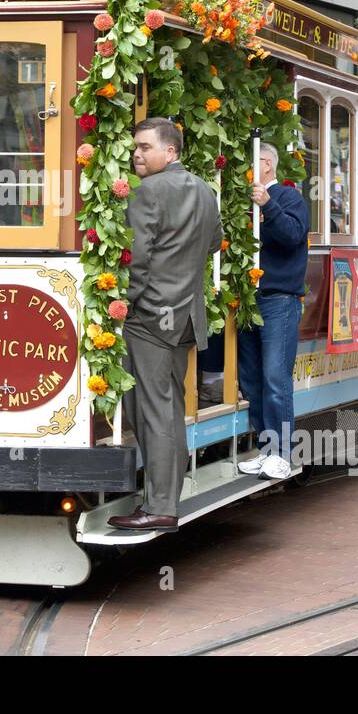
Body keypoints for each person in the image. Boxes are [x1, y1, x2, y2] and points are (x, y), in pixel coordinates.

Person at [108, 118, 222, 532]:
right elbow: (213, 243)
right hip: (186, 316)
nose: (137, 154)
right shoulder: (205, 190)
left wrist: (123, 305)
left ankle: (159, 506)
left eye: (144, 147)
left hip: (151, 317)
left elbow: (135, 259)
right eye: (134, 147)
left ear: (170, 152)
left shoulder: (148, 191)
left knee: (152, 411)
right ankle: (166, 499)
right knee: (169, 409)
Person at [236, 144, 311, 481]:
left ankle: (282, 454)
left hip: (279, 299)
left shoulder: (289, 197)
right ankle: (266, 450)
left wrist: (269, 206)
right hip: (248, 300)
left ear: (265, 164)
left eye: (250, 164)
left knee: (275, 378)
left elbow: (293, 236)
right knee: (252, 380)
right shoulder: (245, 200)